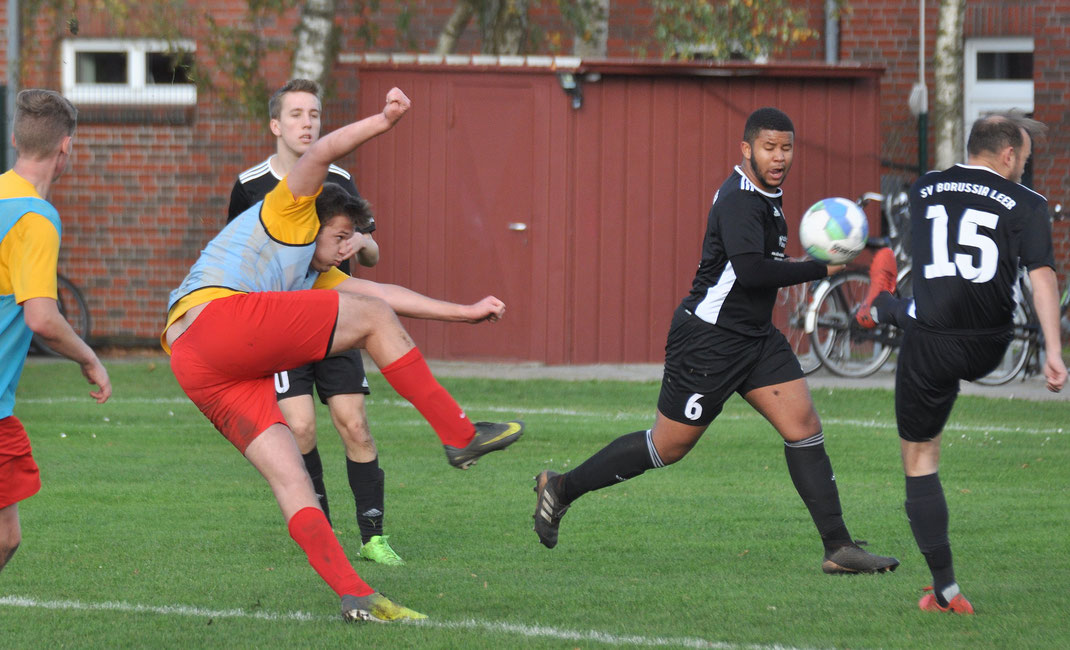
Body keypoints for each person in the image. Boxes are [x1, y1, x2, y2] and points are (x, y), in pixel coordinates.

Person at [163, 87, 523, 622]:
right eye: (339, 236)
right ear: (314, 221)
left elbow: (385, 295)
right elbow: (318, 155)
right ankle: (459, 434)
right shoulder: (289, 209)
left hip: (194, 362)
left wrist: (465, 311)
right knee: (371, 324)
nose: (344, 247)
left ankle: (356, 596)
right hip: (218, 322)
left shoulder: (314, 272)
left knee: (291, 477)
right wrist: (384, 120)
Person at [532, 107, 899, 576]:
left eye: (786, 147)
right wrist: (824, 266)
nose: (779, 156)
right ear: (746, 149)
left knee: (803, 425)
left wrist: (845, 253)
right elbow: (751, 271)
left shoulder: (766, 195)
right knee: (668, 447)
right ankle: (560, 488)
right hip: (709, 340)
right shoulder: (740, 200)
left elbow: (761, 261)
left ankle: (839, 547)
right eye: (769, 147)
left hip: (755, 339)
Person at [855, 113, 1067, 614]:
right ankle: (885, 304)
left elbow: (927, 253)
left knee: (920, 460)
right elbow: (1042, 277)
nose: (1026, 167)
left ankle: (946, 588)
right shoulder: (1028, 203)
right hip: (989, 342)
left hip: (930, 342)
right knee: (918, 313)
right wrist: (1053, 351)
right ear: (1009, 155)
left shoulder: (925, 187)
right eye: (1026, 159)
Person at [227, 79, 402, 567]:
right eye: (298, 114)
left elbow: (373, 249)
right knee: (299, 427)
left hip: (336, 322)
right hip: (281, 329)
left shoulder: (340, 179)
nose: (308, 123)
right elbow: (234, 265)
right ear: (276, 125)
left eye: (315, 115)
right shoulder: (249, 187)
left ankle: (374, 537)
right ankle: (321, 535)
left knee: (355, 425)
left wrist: (359, 245)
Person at [0, 89, 112, 574]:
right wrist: (89, 357)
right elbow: (41, 317)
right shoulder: (36, 218)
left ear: (14, 139)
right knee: (5, 537)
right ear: (66, 147)